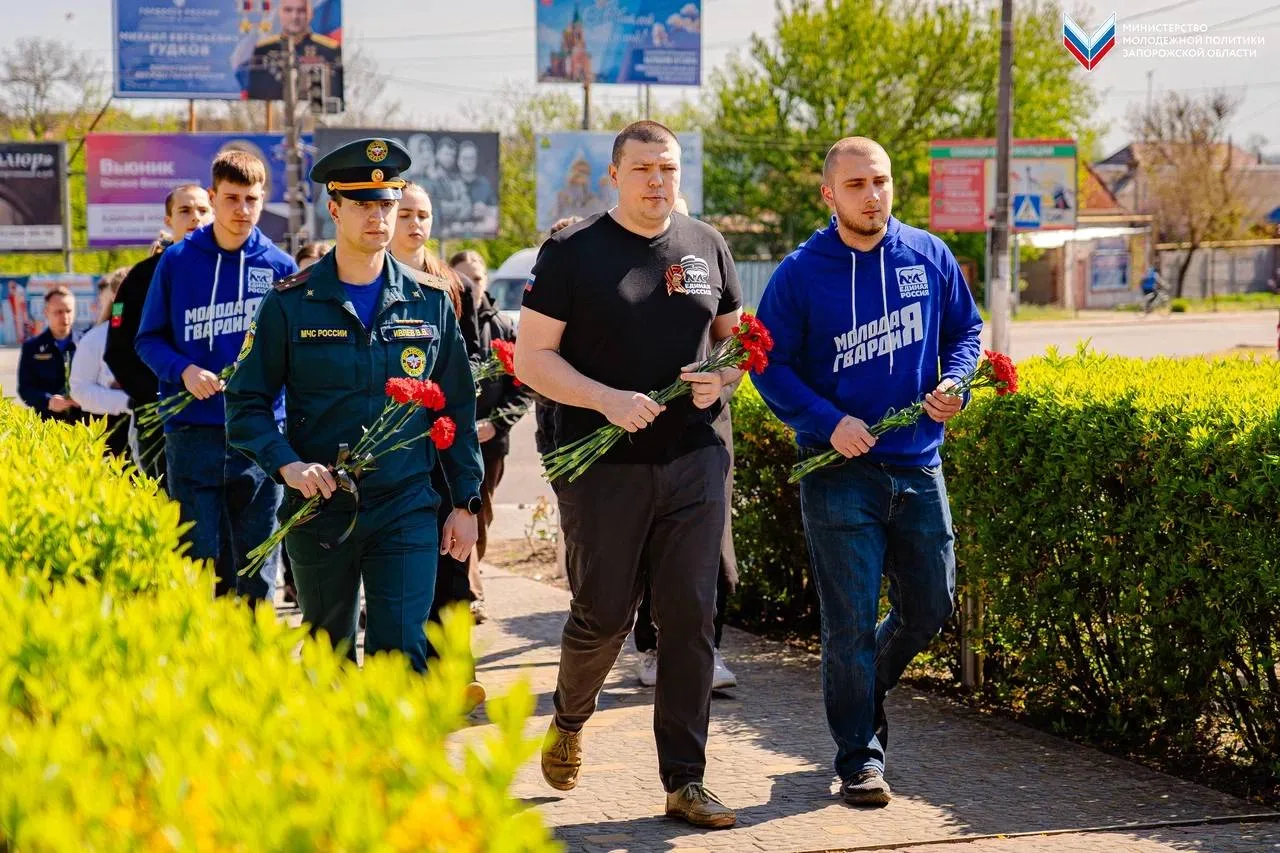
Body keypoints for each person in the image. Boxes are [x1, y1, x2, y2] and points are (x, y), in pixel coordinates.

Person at [516, 120, 742, 829]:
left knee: (691, 615)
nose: (656, 180)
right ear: (614, 175)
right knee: (605, 613)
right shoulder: (572, 250)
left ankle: (686, 779)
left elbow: (735, 342)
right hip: (603, 463)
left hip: (696, 456)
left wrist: (721, 381)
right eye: (642, 168)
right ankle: (569, 717)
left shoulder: (707, 244)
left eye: (667, 168)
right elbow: (532, 358)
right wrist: (605, 400)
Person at [753, 136, 982, 807]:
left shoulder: (929, 254)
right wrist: (827, 421)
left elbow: (965, 333)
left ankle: (861, 687)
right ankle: (859, 757)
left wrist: (956, 382)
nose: (872, 195)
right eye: (856, 185)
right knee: (849, 623)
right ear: (829, 194)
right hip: (838, 472)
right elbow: (769, 363)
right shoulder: (800, 273)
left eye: (880, 181)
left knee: (931, 605)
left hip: (918, 465)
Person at [225, 138, 483, 675]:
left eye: (386, 204)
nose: (377, 216)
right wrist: (287, 466)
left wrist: (466, 502)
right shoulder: (290, 303)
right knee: (329, 659)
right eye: (363, 204)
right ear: (335, 209)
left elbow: (455, 408)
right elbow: (245, 403)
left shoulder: (429, 301)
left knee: (402, 655)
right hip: (321, 509)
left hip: (405, 504)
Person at [136, 150, 297, 608]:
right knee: (196, 561)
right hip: (192, 432)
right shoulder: (177, 261)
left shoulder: (280, 267)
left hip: (259, 434)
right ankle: (196, 648)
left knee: (255, 567)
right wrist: (184, 370)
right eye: (231, 198)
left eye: (252, 199)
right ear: (213, 196)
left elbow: (294, 356)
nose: (242, 210)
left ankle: (253, 649)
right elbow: (148, 339)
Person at [386, 180, 485, 706]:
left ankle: (457, 674)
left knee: (454, 563)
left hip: (443, 444)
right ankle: (414, 673)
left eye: (423, 215)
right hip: (393, 446)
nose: (415, 224)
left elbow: (468, 359)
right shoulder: (370, 279)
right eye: (405, 214)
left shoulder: (450, 285)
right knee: (408, 564)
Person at [105, 184, 214, 478]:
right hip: (159, 417)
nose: (195, 217)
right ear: (168, 220)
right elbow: (118, 350)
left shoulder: (231, 270)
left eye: (203, 210)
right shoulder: (140, 277)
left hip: (219, 415)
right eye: (185, 210)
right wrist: (157, 397)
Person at [450, 249, 530, 625]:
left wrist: (496, 423)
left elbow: (523, 386)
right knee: (459, 511)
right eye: (463, 278)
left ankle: (469, 584)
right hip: (447, 442)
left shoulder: (502, 326)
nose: (472, 286)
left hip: (490, 443)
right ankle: (469, 593)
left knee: (480, 516)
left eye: (477, 278)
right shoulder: (444, 319)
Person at [70, 268, 132, 457]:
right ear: (115, 296)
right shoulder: (96, 338)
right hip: (109, 436)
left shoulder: (162, 335)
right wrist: (128, 402)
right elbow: (79, 390)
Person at [240, 0, 342, 103]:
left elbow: (335, 92)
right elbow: (255, 94)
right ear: (280, 13)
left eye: (301, 11)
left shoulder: (329, 50)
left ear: (311, 14)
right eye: (288, 10)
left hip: (312, 108)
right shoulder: (263, 49)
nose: (294, 17)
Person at [18, 286, 82, 423]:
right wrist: (48, 401)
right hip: (47, 423)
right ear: (46, 312)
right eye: (58, 312)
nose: (65, 317)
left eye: (68, 311)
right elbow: (25, 389)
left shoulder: (86, 344)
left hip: (83, 424)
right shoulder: (32, 347)